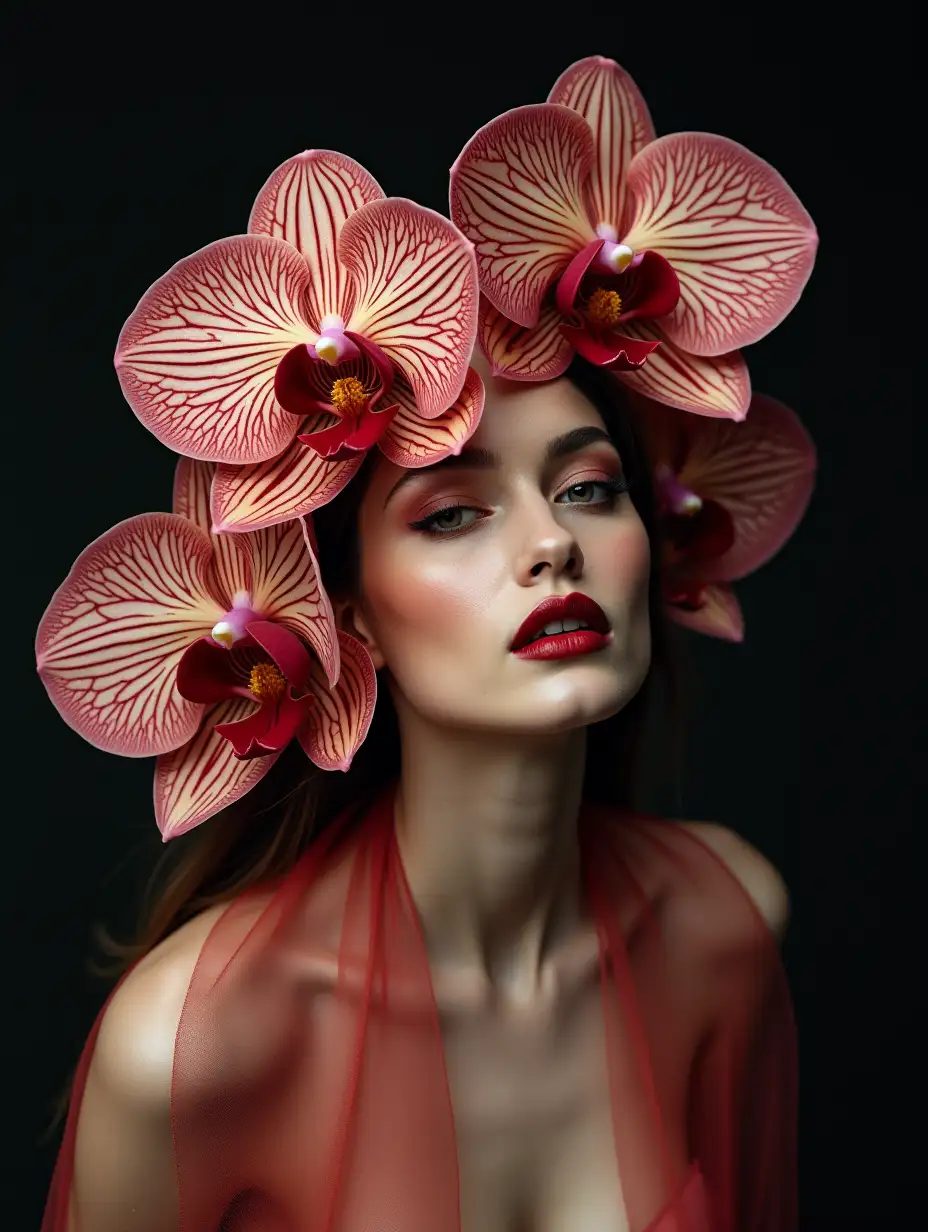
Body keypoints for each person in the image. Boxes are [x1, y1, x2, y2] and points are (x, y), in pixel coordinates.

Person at [37, 56, 817, 1232]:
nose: (551, 544)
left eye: (593, 489)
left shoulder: (726, 925)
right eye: (453, 512)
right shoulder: (189, 1053)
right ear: (342, 617)